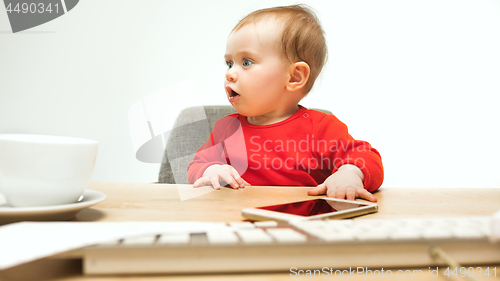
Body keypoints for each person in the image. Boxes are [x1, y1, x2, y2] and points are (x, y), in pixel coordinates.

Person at [187, 4, 383, 202]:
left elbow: (367, 157)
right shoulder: (226, 129)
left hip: (300, 226)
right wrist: (211, 170)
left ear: (294, 77)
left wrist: (350, 174)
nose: (230, 73)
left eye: (246, 62)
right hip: (236, 224)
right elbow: (196, 165)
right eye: (229, 63)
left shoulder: (321, 128)